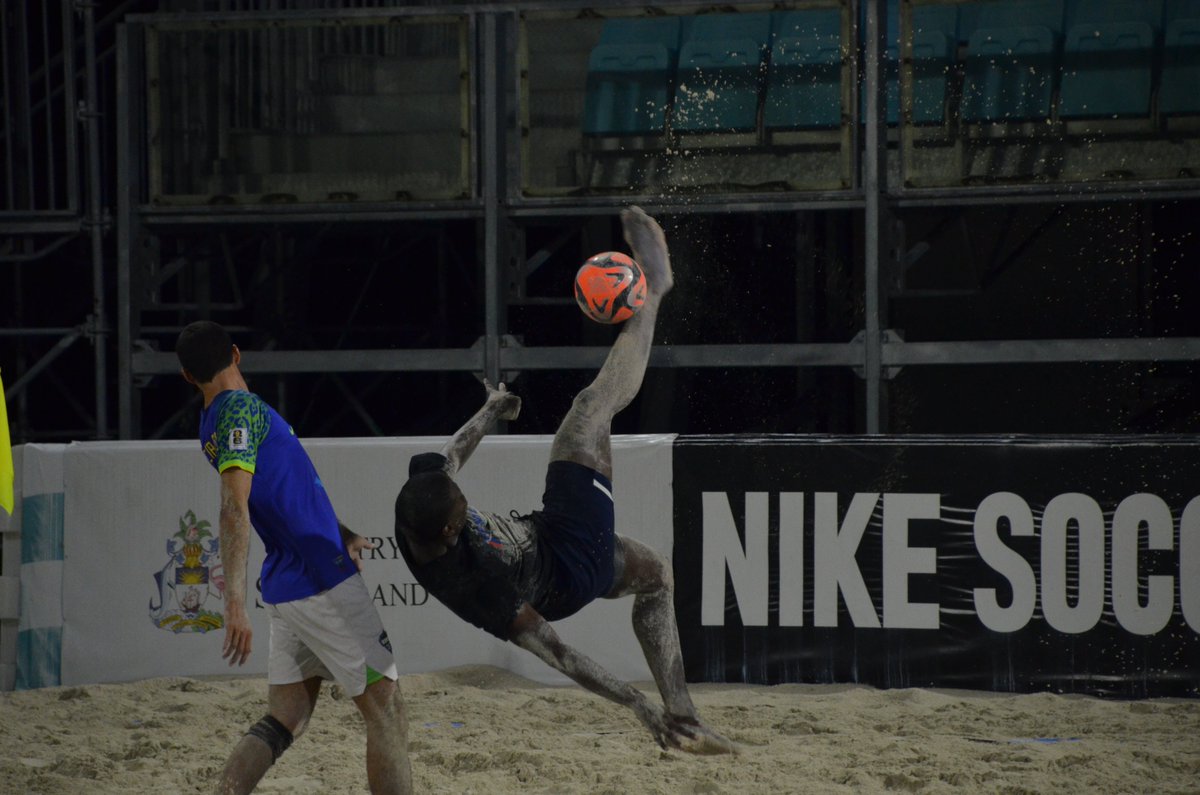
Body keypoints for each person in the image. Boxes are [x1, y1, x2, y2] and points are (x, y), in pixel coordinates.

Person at [394, 206, 735, 754]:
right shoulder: (479, 587)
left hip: (556, 542)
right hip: (567, 565)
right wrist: (640, 709)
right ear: (450, 536)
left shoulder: (417, 500)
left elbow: (450, 456)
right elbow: (560, 654)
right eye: (466, 518)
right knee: (589, 410)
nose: (470, 512)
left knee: (655, 577)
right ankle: (654, 294)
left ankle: (687, 715)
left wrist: (489, 410)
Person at [175, 321, 412, 795]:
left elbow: (278, 491)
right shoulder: (240, 409)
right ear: (238, 354)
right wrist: (234, 604)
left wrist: (337, 531)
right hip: (319, 581)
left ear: (187, 377)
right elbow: (234, 508)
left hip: (288, 582)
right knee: (386, 709)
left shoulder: (214, 419)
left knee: (286, 717)